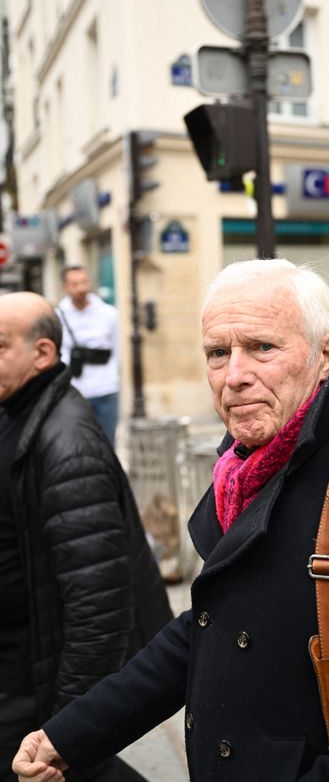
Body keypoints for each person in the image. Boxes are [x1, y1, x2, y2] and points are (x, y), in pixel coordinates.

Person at [14, 260, 329, 782]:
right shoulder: (246, 471)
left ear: (325, 355)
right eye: (217, 352)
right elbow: (211, 629)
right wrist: (69, 735)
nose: (234, 376)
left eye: (263, 347)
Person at [0, 292, 173, 782]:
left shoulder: (69, 445)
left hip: (31, 674)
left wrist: (69, 728)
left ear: (42, 355)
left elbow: (100, 606)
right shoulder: (17, 409)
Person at [57, 266, 120, 446]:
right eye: (75, 284)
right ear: (65, 287)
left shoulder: (108, 314)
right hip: (74, 390)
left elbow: (117, 350)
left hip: (106, 390)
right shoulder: (58, 316)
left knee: (108, 445)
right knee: (77, 444)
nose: (81, 288)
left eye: (84, 282)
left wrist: (114, 377)